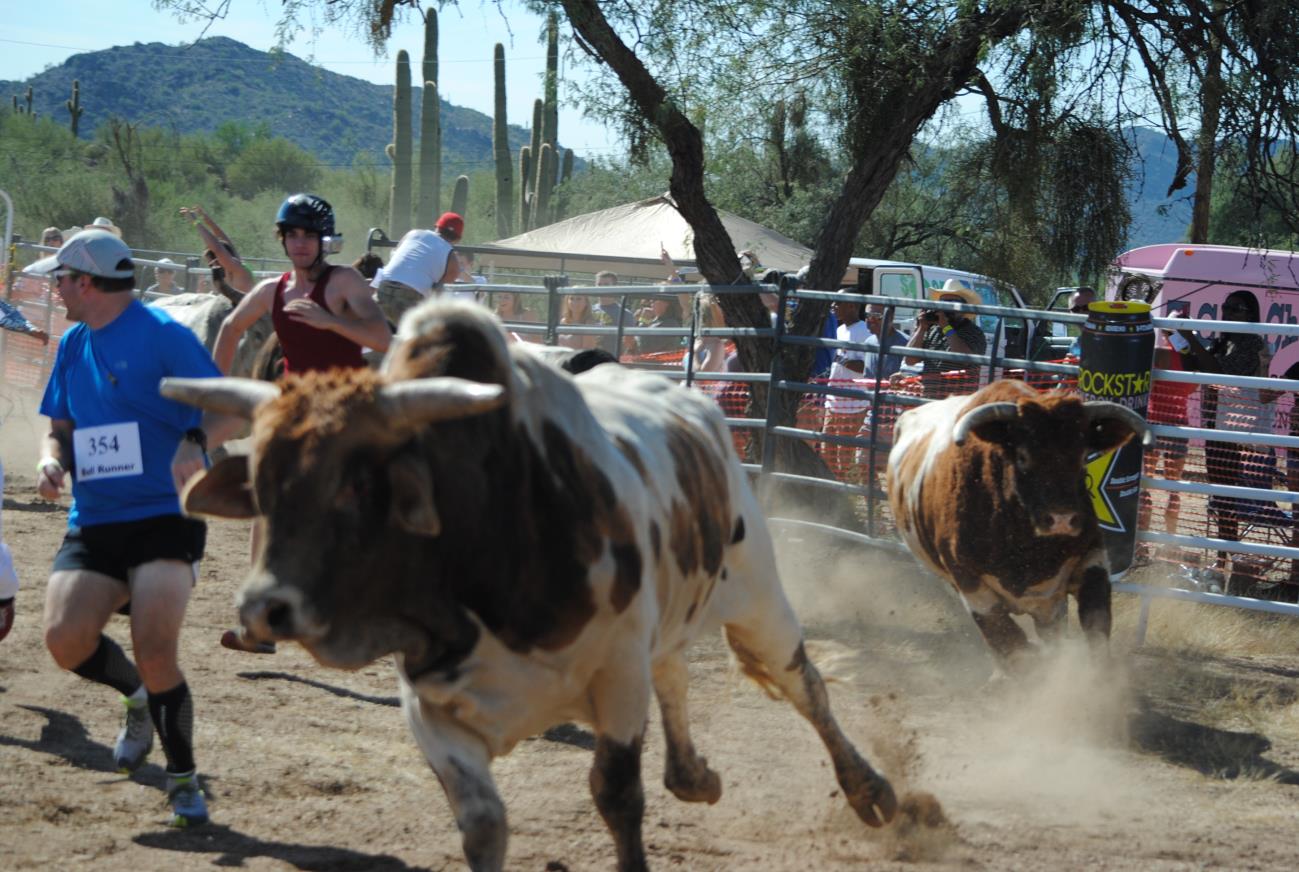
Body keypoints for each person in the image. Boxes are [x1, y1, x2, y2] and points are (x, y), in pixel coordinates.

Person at [26, 228, 240, 827]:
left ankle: (182, 781)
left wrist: (195, 439)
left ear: (86, 282)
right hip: (95, 519)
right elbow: (59, 429)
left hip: (165, 518)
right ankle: (137, 697)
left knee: (155, 647)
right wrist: (51, 460)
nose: (56, 288)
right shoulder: (73, 344)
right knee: (65, 642)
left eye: (61, 279)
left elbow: (229, 408)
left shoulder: (164, 336)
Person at [213, 193, 389, 378]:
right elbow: (230, 328)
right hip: (295, 400)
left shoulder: (345, 280)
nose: (300, 243)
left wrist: (331, 322)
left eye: (309, 235)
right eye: (292, 234)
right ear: (283, 240)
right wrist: (213, 388)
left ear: (325, 241)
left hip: (345, 398)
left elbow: (383, 340)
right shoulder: (271, 290)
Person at [1177, 289, 1278, 591]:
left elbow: (1219, 372)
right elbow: (1199, 367)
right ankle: (1224, 560)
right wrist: (1182, 342)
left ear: (1250, 314)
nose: (1228, 313)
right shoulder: (1227, 339)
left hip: (1237, 427)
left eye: (1235, 309)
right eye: (1225, 307)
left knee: (1227, 495)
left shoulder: (1252, 342)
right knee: (1221, 496)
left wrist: (1192, 338)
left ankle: (1226, 561)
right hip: (1217, 422)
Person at [897, 279, 987, 398]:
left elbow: (964, 359)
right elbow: (910, 360)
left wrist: (946, 327)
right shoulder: (932, 330)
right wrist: (921, 328)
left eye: (952, 303)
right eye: (944, 302)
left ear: (963, 308)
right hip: (930, 400)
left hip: (958, 402)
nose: (947, 307)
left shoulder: (974, 332)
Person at [372, 211, 464, 324]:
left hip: (383, 288)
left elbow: (394, 255)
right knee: (414, 335)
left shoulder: (413, 234)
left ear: (437, 227)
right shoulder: (452, 259)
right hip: (411, 296)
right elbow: (437, 291)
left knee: (378, 330)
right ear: (458, 239)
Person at [181, 207, 254, 296]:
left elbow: (217, 248)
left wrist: (196, 222)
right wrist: (207, 220)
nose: (212, 267)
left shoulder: (237, 268)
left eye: (211, 264)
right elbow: (224, 239)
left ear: (218, 260)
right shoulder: (237, 265)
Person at [861, 303, 909, 380]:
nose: (871, 320)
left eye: (877, 316)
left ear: (891, 317)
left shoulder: (905, 344)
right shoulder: (868, 342)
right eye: (868, 315)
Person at [1065, 287, 1097, 358]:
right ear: (1069, 312)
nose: (1082, 312)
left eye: (1087, 308)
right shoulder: (1075, 345)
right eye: (1076, 309)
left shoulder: (1108, 338)